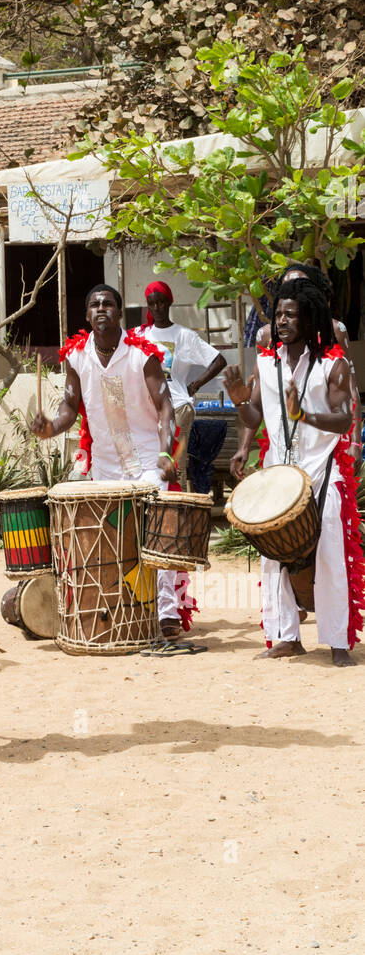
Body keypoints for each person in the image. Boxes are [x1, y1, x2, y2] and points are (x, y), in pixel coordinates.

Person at [32, 284, 196, 640]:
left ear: (121, 313)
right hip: (105, 467)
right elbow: (69, 406)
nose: (101, 308)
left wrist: (169, 452)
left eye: (108, 303)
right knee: (111, 541)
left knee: (157, 539)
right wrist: (52, 428)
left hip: (150, 463)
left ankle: (166, 614)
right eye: (94, 304)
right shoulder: (75, 357)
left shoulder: (143, 355)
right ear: (87, 315)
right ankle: (122, 609)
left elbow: (166, 406)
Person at [224, 277, 361, 667]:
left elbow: (342, 419)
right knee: (273, 558)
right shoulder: (266, 363)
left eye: (290, 314)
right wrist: (238, 403)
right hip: (278, 473)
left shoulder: (332, 365)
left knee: (332, 555)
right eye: (278, 314)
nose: (280, 321)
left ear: (310, 317)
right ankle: (285, 636)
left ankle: (337, 641)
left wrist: (305, 415)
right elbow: (255, 414)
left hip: (322, 472)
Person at [241, 263, 362, 471]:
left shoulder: (334, 331)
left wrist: (355, 442)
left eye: (301, 285)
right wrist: (244, 447)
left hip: (324, 440)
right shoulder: (266, 336)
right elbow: (257, 399)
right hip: (284, 441)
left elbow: (351, 391)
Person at [137, 280, 226, 455]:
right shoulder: (140, 334)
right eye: (151, 303)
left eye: (161, 302)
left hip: (177, 407)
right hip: (146, 410)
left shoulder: (184, 336)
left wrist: (194, 386)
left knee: (175, 468)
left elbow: (219, 361)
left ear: (169, 301)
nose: (157, 307)